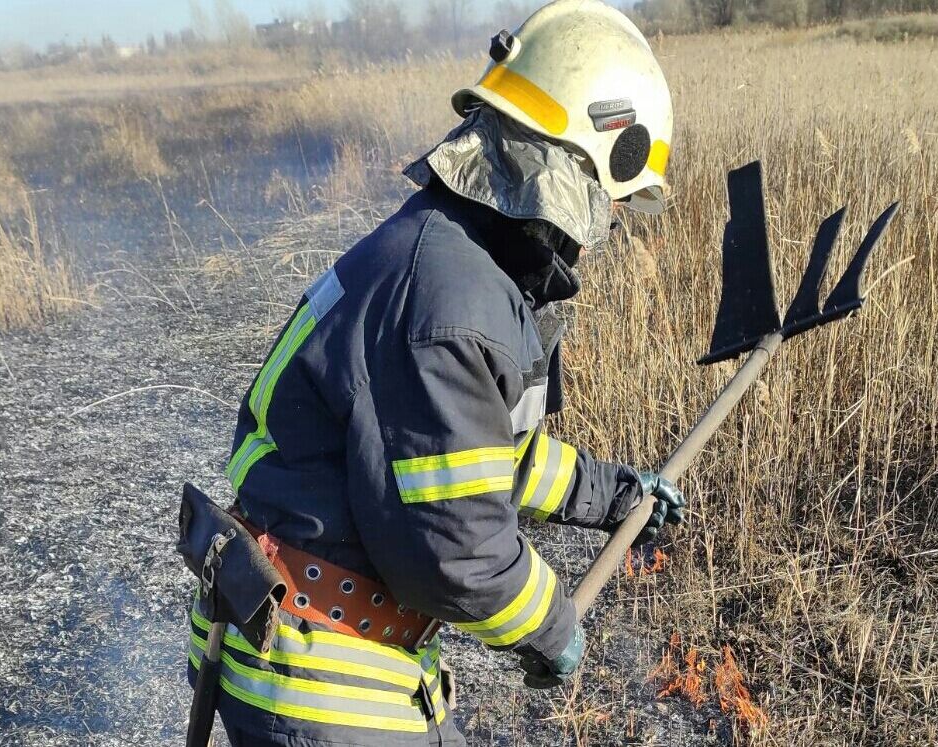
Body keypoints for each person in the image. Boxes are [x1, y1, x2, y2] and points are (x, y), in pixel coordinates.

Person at [187, 1, 684, 744]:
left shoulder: (450, 259)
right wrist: (551, 626)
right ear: (575, 173)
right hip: (323, 683)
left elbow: (480, 459)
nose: (601, 232)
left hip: (323, 647)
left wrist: (616, 494)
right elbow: (456, 549)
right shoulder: (450, 303)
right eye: (608, 205)